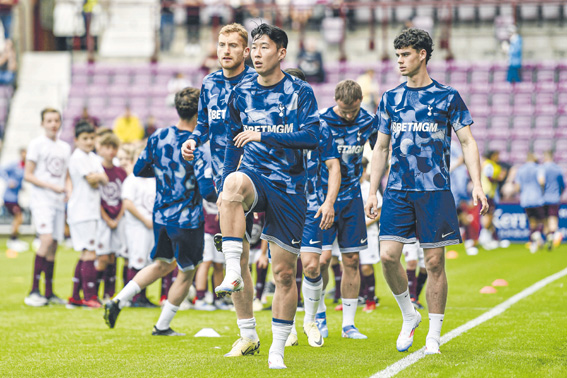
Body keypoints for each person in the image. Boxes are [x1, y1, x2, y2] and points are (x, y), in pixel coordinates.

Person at [365, 28, 488, 355]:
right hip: (397, 190)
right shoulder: (390, 98)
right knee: (388, 256)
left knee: (434, 263)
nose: (400, 61)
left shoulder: (448, 96)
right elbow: (380, 147)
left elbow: (467, 141)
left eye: (405, 54)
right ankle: (409, 314)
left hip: (434, 191)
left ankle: (434, 334)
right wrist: (373, 190)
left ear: (422, 54)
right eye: (397, 55)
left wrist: (478, 183)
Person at [216, 24, 319, 369]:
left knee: (285, 274)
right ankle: (232, 271)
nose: (256, 53)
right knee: (231, 186)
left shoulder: (300, 91)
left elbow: (312, 137)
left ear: (281, 53)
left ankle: (277, 348)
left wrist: (264, 135)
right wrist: (225, 185)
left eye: (263, 47)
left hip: (290, 186)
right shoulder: (242, 92)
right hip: (256, 177)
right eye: (254, 48)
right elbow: (234, 138)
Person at [103, 87, 218, 336]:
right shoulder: (197, 144)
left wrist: (166, 172)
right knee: (187, 272)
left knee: (162, 264)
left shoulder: (159, 136)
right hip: (187, 218)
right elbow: (208, 191)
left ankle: (118, 300)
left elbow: (139, 169)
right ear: (201, 113)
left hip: (161, 215)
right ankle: (162, 326)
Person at [181, 23, 258, 358]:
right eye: (221, 44)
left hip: (262, 174)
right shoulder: (210, 83)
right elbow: (204, 123)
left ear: (246, 51)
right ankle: (248, 334)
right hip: (224, 178)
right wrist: (193, 140)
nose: (225, 50)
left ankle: (307, 318)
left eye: (232, 45)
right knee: (239, 255)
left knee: (283, 260)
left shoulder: (258, 82)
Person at [283, 67, 341, 348]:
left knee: (311, 265)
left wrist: (329, 201)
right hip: (281, 204)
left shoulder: (320, 126)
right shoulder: (273, 123)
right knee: (284, 272)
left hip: (312, 205)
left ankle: (311, 320)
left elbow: (333, 166)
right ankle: (289, 326)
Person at [317, 80, 377, 340]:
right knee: (320, 261)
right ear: (336, 102)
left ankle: (349, 325)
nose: (350, 115)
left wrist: (373, 191)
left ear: (361, 101)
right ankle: (318, 317)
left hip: (352, 198)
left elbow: (382, 152)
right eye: (344, 110)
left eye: (354, 110)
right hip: (322, 198)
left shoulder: (368, 121)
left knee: (351, 260)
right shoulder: (320, 120)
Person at [24, 108, 71, 307]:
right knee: (46, 239)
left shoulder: (64, 147)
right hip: (42, 200)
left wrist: (68, 190)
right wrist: (51, 186)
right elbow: (28, 174)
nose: (53, 124)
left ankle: (49, 292)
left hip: (58, 202)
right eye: (49, 120)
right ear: (42, 123)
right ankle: (33, 290)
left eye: (56, 120)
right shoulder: (36, 145)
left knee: (54, 246)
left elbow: (66, 175)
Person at [66, 121, 108, 308]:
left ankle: (75, 296)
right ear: (76, 140)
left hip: (90, 210)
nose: (89, 141)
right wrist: (98, 177)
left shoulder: (93, 157)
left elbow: (104, 179)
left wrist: (99, 177)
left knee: (86, 252)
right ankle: (90, 296)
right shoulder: (77, 157)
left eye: (92, 138)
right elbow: (93, 180)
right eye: (85, 138)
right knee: (90, 252)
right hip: (81, 210)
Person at [120, 145, 157, 308]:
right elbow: (128, 203)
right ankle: (133, 298)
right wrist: (144, 219)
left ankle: (142, 296)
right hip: (137, 227)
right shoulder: (132, 180)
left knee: (148, 262)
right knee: (137, 260)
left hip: (151, 227)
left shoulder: (152, 180)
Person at [96, 132, 127, 302]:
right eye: (107, 147)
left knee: (114, 256)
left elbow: (124, 198)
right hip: (103, 220)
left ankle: (109, 294)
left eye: (113, 147)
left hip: (117, 219)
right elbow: (96, 199)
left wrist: (118, 217)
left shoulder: (121, 172)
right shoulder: (97, 171)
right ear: (100, 149)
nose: (110, 151)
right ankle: (94, 292)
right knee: (102, 257)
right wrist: (107, 219)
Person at [358, 157, 382, 313]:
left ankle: (371, 299)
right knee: (350, 266)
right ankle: (356, 299)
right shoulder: (347, 187)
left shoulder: (369, 188)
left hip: (369, 232)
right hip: (351, 232)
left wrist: (363, 224)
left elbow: (379, 211)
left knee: (366, 266)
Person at [515, 153, 545, 253]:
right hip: (537, 198)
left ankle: (532, 242)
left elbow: (518, 187)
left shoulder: (521, 169)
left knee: (532, 221)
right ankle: (537, 234)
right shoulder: (538, 168)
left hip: (525, 199)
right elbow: (541, 181)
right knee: (541, 220)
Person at [1, 147, 28, 252]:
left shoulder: (25, 167)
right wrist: (9, 181)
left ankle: (14, 239)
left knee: (18, 218)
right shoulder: (14, 165)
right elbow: (1, 170)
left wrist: (21, 187)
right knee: (19, 217)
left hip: (15, 198)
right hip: (9, 198)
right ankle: (12, 240)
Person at [480, 150, 507, 250]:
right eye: (496, 156)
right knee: (488, 215)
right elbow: (489, 178)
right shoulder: (488, 165)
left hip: (489, 193)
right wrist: (499, 178)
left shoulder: (491, 164)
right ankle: (484, 238)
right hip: (487, 193)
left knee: (490, 215)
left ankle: (491, 238)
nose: (498, 158)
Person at [539, 150, 565, 250]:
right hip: (554, 197)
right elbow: (562, 185)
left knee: (545, 220)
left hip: (543, 198)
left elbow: (541, 181)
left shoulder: (542, 168)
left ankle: (549, 238)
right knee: (553, 218)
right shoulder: (558, 168)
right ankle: (554, 235)